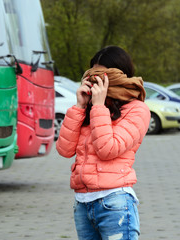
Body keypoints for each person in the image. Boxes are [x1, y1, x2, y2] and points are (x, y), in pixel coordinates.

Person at [56, 45, 151, 240]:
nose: (95, 80)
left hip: (114, 202)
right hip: (83, 204)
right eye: (92, 74)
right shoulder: (89, 108)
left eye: (101, 75)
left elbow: (108, 149)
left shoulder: (137, 110)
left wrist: (98, 107)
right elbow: (64, 149)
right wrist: (80, 106)